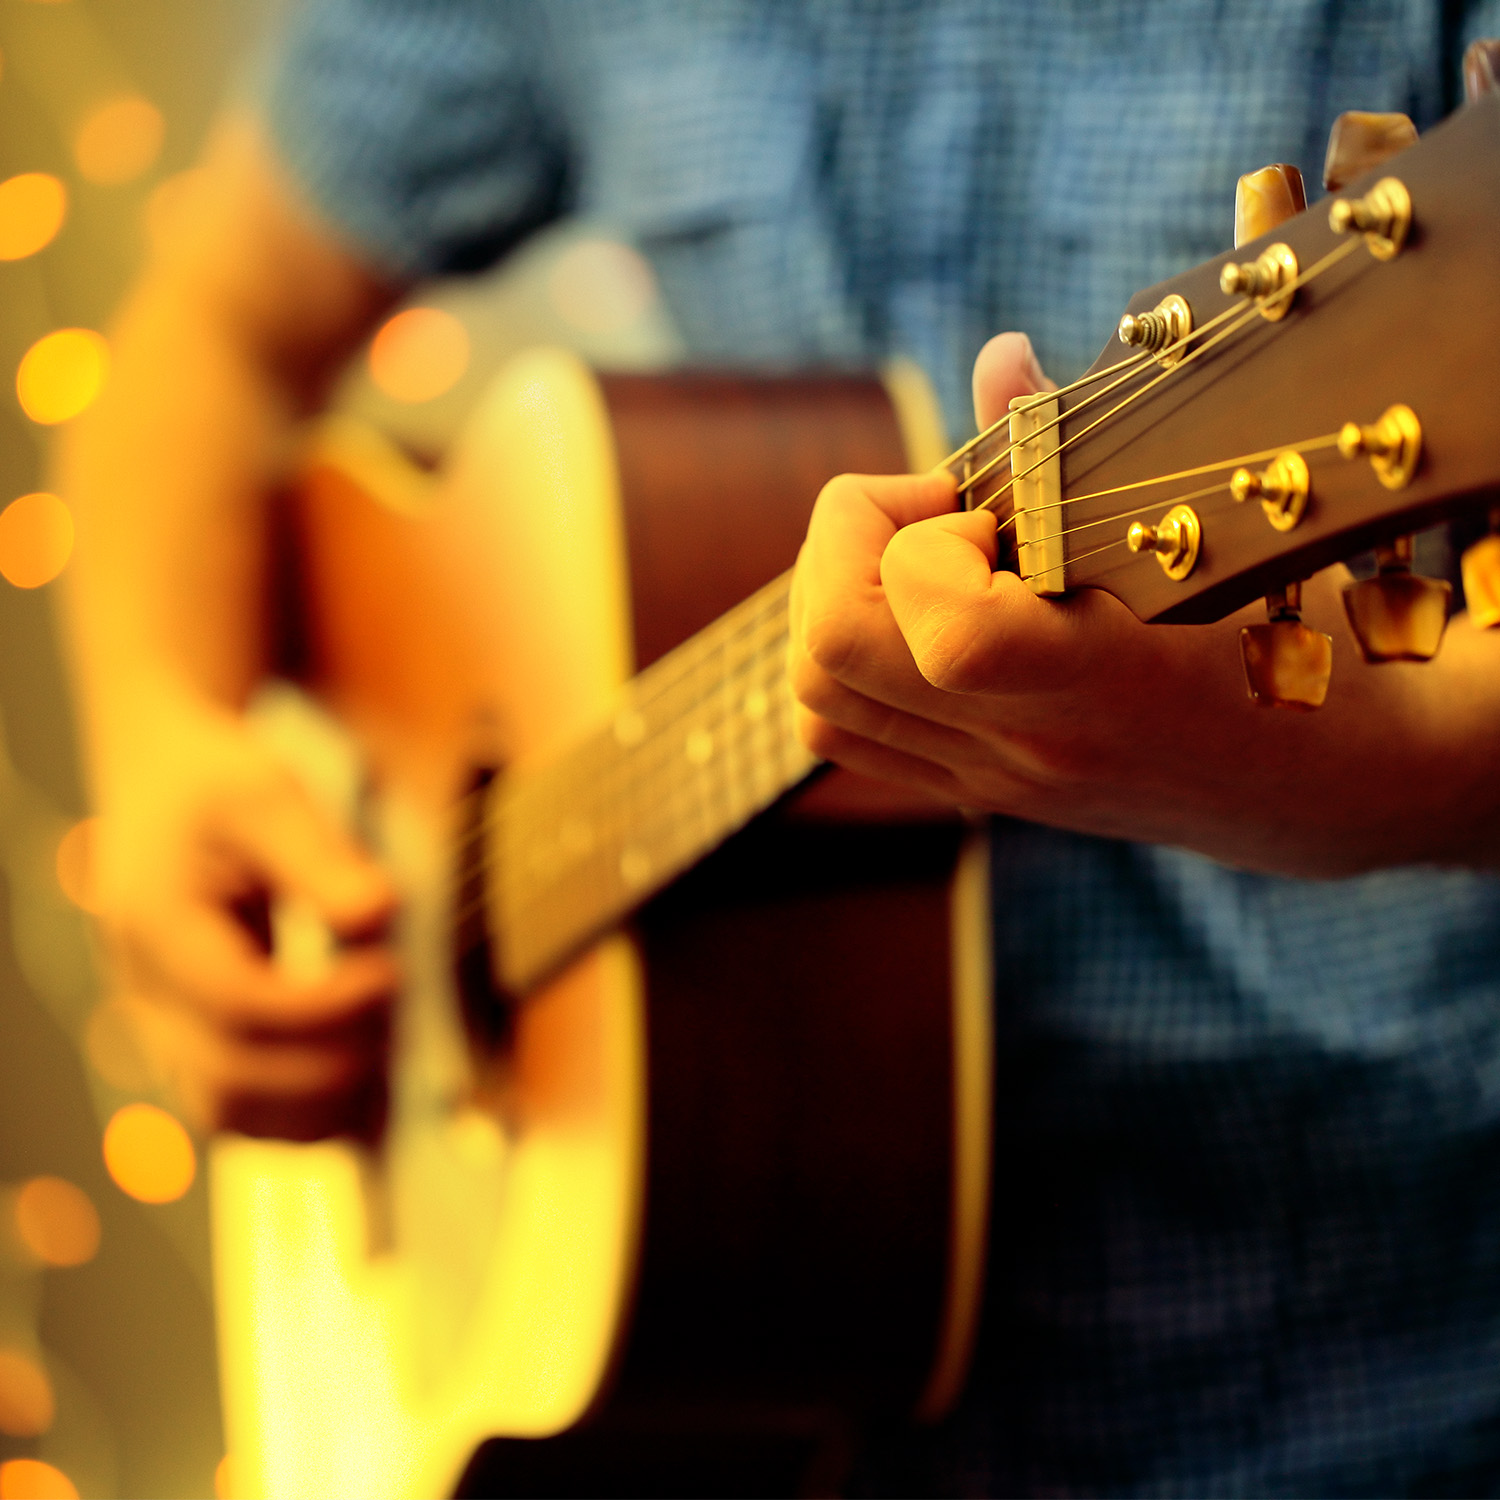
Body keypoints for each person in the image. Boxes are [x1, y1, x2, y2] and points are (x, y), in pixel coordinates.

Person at [57, 1, 1500, 1492]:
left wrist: (1339, 766)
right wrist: (165, 741)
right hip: (747, 1348)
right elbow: (208, 334)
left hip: (1390, 1366)